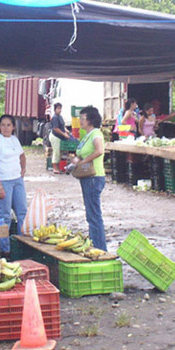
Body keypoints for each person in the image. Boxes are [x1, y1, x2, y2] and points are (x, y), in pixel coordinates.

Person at [0, 114, 27, 255]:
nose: (5, 128)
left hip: (17, 180)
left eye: (8, 125)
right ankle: (5, 250)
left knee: (22, 212)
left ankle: (22, 245)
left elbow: (22, 156)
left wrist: (23, 170)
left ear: (13, 127)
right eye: (3, 125)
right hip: (3, 181)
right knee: (5, 216)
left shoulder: (15, 140)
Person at [71, 106, 108, 251]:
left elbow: (99, 151)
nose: (80, 121)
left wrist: (83, 161)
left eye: (83, 118)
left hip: (94, 177)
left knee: (94, 215)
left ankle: (100, 248)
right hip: (86, 177)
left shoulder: (96, 134)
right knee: (90, 213)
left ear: (91, 120)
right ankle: (95, 243)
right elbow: (82, 153)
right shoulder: (86, 135)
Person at [48, 102, 72, 172]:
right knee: (56, 152)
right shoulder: (54, 117)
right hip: (55, 137)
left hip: (60, 137)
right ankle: (55, 168)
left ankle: (59, 167)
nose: (60, 110)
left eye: (60, 108)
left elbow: (62, 126)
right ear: (55, 109)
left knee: (60, 152)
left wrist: (66, 131)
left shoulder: (60, 117)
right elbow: (56, 128)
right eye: (58, 108)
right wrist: (64, 134)